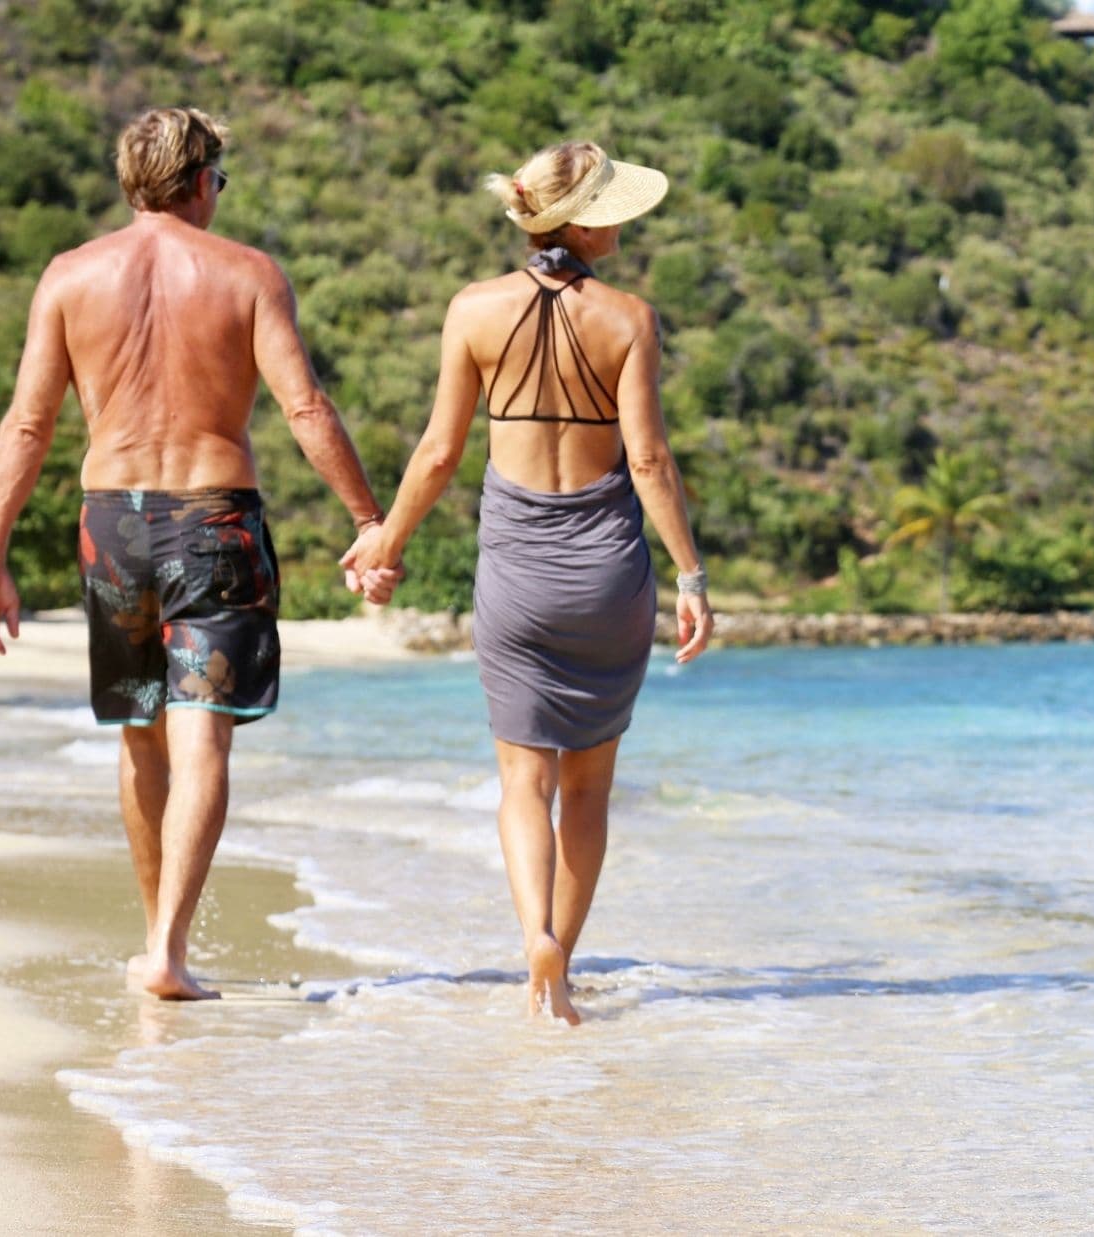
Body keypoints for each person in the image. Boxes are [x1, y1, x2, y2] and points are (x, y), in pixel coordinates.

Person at [0, 107, 395, 1000]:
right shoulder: (246, 274)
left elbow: (29, 422)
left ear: (133, 183)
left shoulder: (69, 276)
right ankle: (168, 947)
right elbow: (305, 407)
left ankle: (155, 939)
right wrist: (366, 519)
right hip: (214, 522)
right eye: (220, 181)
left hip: (113, 525)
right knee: (202, 740)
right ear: (201, 181)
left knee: (141, 731)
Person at [344, 140, 712, 1025]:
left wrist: (384, 543)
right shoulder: (629, 319)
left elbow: (438, 453)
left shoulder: (473, 311)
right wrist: (692, 576)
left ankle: (532, 938)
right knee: (588, 787)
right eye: (613, 206)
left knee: (523, 782)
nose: (625, 220)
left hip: (515, 569)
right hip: (606, 571)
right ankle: (565, 964)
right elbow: (651, 460)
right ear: (580, 222)